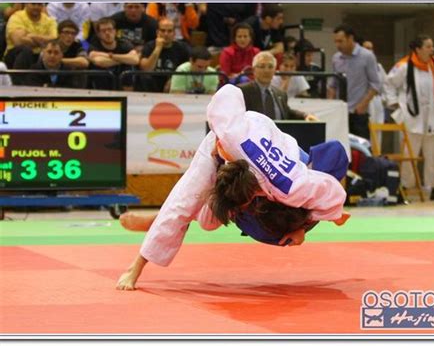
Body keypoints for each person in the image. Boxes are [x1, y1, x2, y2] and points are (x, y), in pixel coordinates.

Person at [116, 84, 347, 290]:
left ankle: (188, 218)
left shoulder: (290, 185)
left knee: (334, 158)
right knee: (196, 213)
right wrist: (135, 269)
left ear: (255, 195)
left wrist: (317, 221)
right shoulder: (227, 134)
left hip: (287, 155)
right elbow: (229, 91)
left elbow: (333, 193)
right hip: (233, 138)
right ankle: (174, 222)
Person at [385, 34, 434, 200]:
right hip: (410, 118)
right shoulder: (403, 66)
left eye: (432, 46)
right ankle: (408, 189)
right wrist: (396, 109)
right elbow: (388, 85)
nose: (432, 49)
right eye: (428, 46)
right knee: (409, 155)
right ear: (418, 49)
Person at [328, 24, 381, 140]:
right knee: (339, 147)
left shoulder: (367, 56)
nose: (337, 45)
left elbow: (375, 84)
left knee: (361, 150)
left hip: (358, 112)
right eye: (335, 41)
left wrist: (362, 105)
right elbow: (333, 85)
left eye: (340, 41)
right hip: (339, 112)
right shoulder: (336, 58)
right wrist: (330, 105)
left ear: (350, 38)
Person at [239, 51, 316, 120]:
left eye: (270, 67)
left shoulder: (281, 94)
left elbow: (287, 112)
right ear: (254, 70)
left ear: (275, 70)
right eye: (262, 66)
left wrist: (305, 115)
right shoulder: (243, 91)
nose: (266, 70)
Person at [4, 3, 57, 84]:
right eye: (33, 4)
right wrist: (42, 41)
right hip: (16, 56)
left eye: (39, 4)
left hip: (40, 55)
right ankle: (18, 85)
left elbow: (54, 40)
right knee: (26, 50)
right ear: (26, 4)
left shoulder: (49, 20)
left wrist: (31, 35)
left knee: (51, 53)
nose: (36, 7)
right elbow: (18, 41)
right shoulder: (16, 17)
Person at [138, 17, 189, 92]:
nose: (166, 34)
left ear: (174, 33)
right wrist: (158, 48)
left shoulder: (182, 48)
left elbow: (188, 68)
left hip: (173, 85)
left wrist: (173, 80)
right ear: (157, 32)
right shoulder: (149, 46)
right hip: (151, 85)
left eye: (169, 31)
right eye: (163, 31)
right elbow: (146, 69)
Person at [88, 17, 139, 90]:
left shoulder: (124, 43)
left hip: (122, 84)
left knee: (128, 67)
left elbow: (135, 59)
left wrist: (111, 56)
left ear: (115, 31)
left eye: (110, 29)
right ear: (98, 34)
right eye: (103, 31)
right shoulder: (93, 45)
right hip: (101, 87)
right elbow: (99, 62)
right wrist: (124, 60)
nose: (107, 33)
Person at [362, 40, 388, 146]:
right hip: (364, 101)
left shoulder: (379, 67)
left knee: (378, 131)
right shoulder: (358, 65)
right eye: (367, 48)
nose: (370, 51)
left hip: (377, 101)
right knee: (367, 130)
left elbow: (386, 85)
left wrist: (384, 99)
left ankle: (377, 159)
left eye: (371, 48)